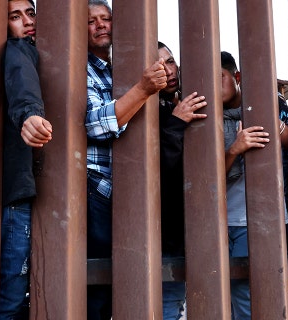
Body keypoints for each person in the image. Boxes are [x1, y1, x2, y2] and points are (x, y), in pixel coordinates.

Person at [85, 1, 167, 319]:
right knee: (96, 288)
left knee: (120, 287)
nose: (101, 24)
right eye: (91, 21)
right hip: (94, 188)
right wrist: (143, 89)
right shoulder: (81, 67)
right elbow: (94, 123)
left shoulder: (116, 67)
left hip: (121, 193)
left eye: (106, 18)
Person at [220, 51, 288, 320]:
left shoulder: (268, 102)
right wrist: (233, 150)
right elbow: (205, 177)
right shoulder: (203, 113)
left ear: (237, 77)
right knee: (217, 294)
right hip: (215, 219)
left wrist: (275, 123)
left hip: (256, 218)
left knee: (250, 296)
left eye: (220, 78)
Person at [0, 1, 49, 318]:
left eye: (31, 13)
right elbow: (22, 84)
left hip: (13, 190)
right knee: (12, 296)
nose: (27, 22)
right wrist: (30, 116)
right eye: (15, 17)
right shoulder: (17, 50)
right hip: (14, 193)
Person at [157, 41, 207, 319]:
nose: (168, 69)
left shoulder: (182, 102)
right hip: (160, 230)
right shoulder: (150, 111)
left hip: (186, 229)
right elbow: (155, 169)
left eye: (171, 61)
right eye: (160, 64)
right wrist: (175, 123)